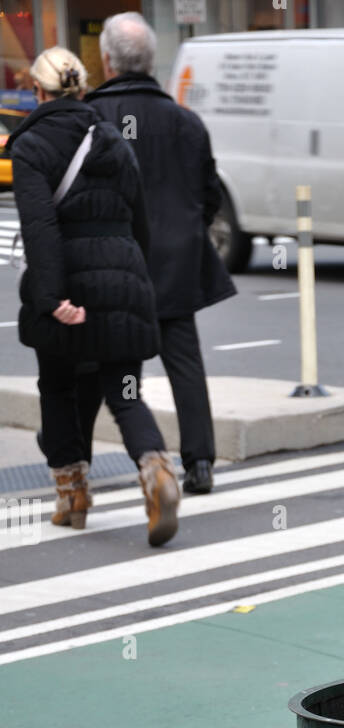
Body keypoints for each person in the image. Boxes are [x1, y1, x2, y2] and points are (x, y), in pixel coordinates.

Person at [8, 47, 180, 546]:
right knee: (125, 390)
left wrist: (53, 296)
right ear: (82, 91)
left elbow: (40, 227)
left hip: (71, 285)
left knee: (58, 388)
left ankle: (73, 497)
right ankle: (157, 471)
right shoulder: (112, 140)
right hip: (124, 278)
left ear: (37, 93)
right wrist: (134, 280)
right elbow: (139, 221)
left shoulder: (31, 144)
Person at [86, 12, 236, 495]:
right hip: (176, 262)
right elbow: (209, 194)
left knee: (109, 367)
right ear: (150, 61)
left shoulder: (93, 118)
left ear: (107, 60)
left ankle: (76, 463)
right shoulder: (186, 122)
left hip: (116, 265)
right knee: (184, 364)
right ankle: (200, 462)